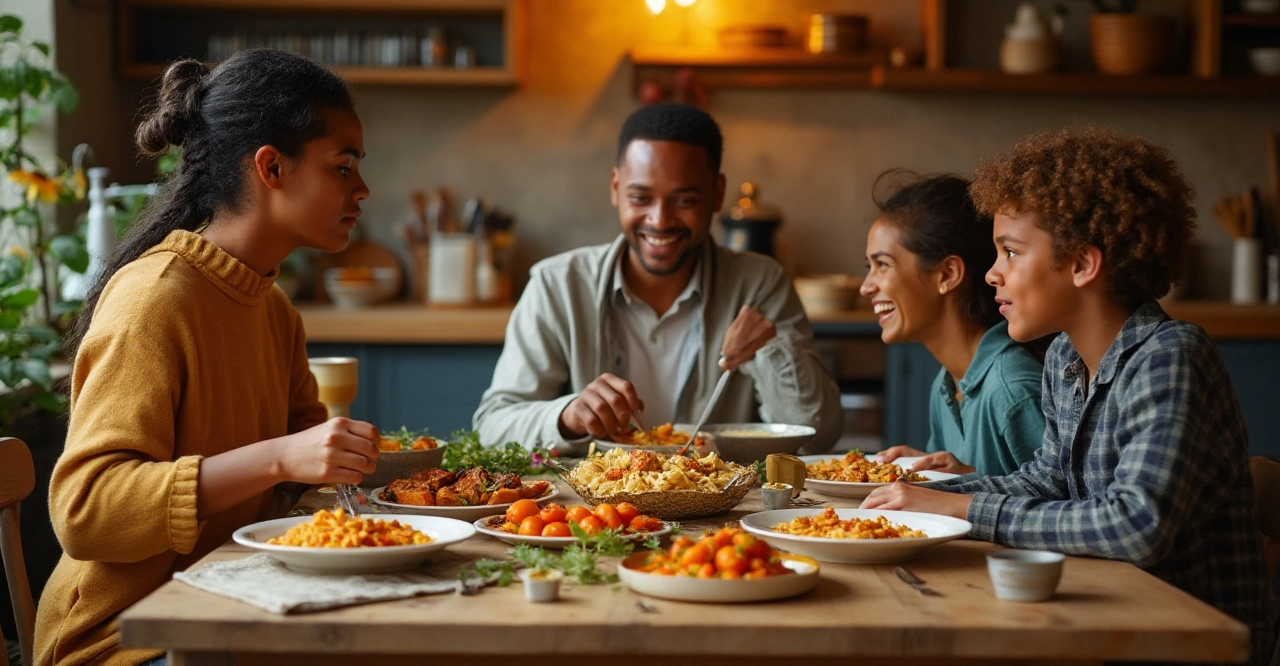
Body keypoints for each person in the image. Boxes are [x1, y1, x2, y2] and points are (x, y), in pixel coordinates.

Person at [862, 128, 1275, 664]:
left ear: (1082, 265)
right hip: (1107, 621)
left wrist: (961, 506)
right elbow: (1048, 479)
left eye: (1010, 252)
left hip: (1180, 644)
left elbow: (1136, 525)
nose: (992, 273)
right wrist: (916, 495)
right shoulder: (1064, 358)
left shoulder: (1170, 356)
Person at [36, 50, 380, 666]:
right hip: (128, 640)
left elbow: (298, 468)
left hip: (231, 607)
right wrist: (278, 457)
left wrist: (331, 457)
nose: (363, 190)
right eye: (343, 167)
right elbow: (85, 511)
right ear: (272, 167)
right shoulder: (154, 298)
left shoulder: (273, 310)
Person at [474, 102, 842, 454]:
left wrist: (773, 351)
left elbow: (816, 438)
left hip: (725, 515)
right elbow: (492, 427)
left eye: (684, 201)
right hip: (592, 514)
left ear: (716, 194)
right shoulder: (557, 286)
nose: (660, 220)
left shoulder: (760, 285)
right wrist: (567, 417)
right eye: (641, 198)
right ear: (616, 188)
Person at [860, 174, 1045, 476]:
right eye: (869, 267)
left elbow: (1065, 509)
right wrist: (930, 469)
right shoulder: (945, 385)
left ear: (947, 274)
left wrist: (969, 484)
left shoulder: (1011, 389)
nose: (866, 287)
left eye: (882, 265)